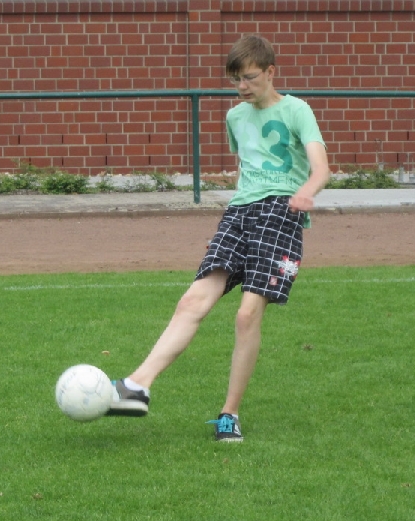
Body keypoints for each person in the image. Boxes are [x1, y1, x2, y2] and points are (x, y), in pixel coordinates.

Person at [106, 35, 330, 442]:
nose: (243, 87)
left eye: (251, 78)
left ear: (271, 72)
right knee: (192, 300)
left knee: (246, 315)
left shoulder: (297, 110)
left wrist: (306, 192)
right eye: (236, 80)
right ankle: (137, 385)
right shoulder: (235, 117)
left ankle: (230, 414)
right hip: (239, 213)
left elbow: (321, 167)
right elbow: (247, 167)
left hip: (281, 212)